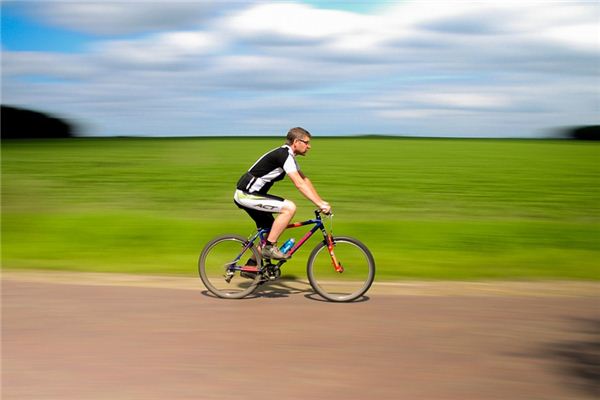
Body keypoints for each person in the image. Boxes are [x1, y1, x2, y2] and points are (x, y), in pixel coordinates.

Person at [234, 127, 332, 260]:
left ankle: (251, 267)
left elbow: (305, 180)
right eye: (306, 142)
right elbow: (299, 184)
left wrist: (321, 201)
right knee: (289, 208)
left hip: (252, 195)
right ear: (296, 142)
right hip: (245, 195)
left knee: (271, 232)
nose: (309, 146)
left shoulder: (288, 156)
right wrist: (319, 204)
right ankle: (269, 248)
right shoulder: (284, 155)